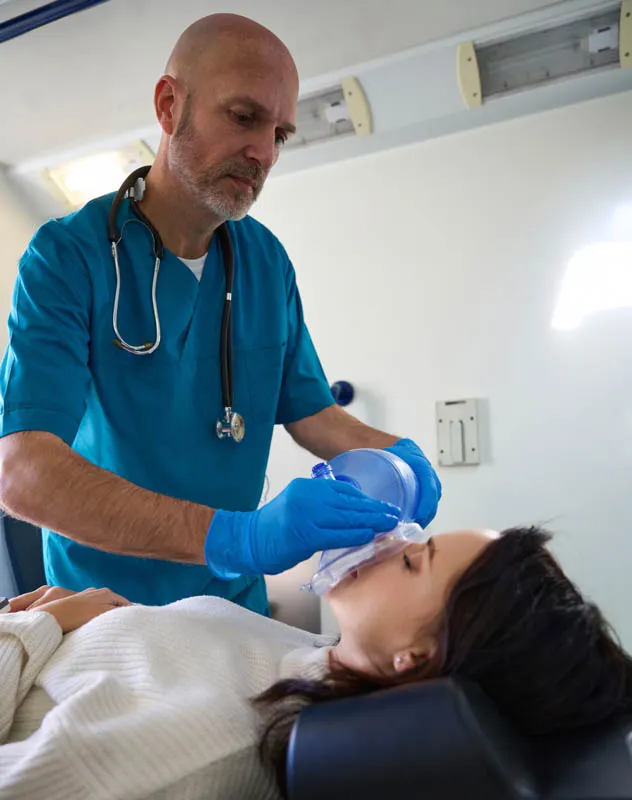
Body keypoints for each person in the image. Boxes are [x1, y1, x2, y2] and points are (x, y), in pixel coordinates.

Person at [0, 13, 441, 613]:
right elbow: (23, 472)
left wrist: (400, 456)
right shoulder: (67, 257)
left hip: (235, 608)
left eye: (280, 134)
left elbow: (315, 415)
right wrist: (237, 537)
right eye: (243, 117)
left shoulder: (265, 262)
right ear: (169, 106)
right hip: (105, 614)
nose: (263, 152)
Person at [1, 526, 630, 799]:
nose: (388, 541)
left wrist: (39, 627)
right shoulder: (305, 658)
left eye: (412, 560)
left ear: (416, 657)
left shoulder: (201, 747)